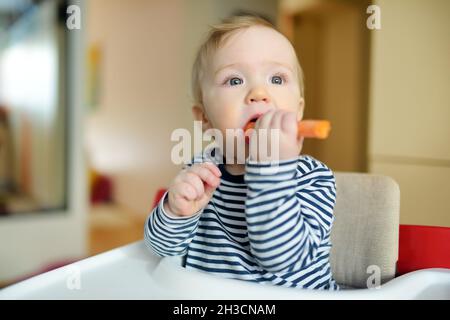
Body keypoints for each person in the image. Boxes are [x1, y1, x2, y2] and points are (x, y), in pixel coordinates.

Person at [144, 14, 339, 290]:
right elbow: (159, 249)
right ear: (205, 119)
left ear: (298, 110)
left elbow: (280, 257)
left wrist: (270, 169)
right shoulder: (202, 171)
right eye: (234, 81)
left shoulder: (314, 179)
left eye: (277, 78)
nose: (258, 92)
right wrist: (176, 213)